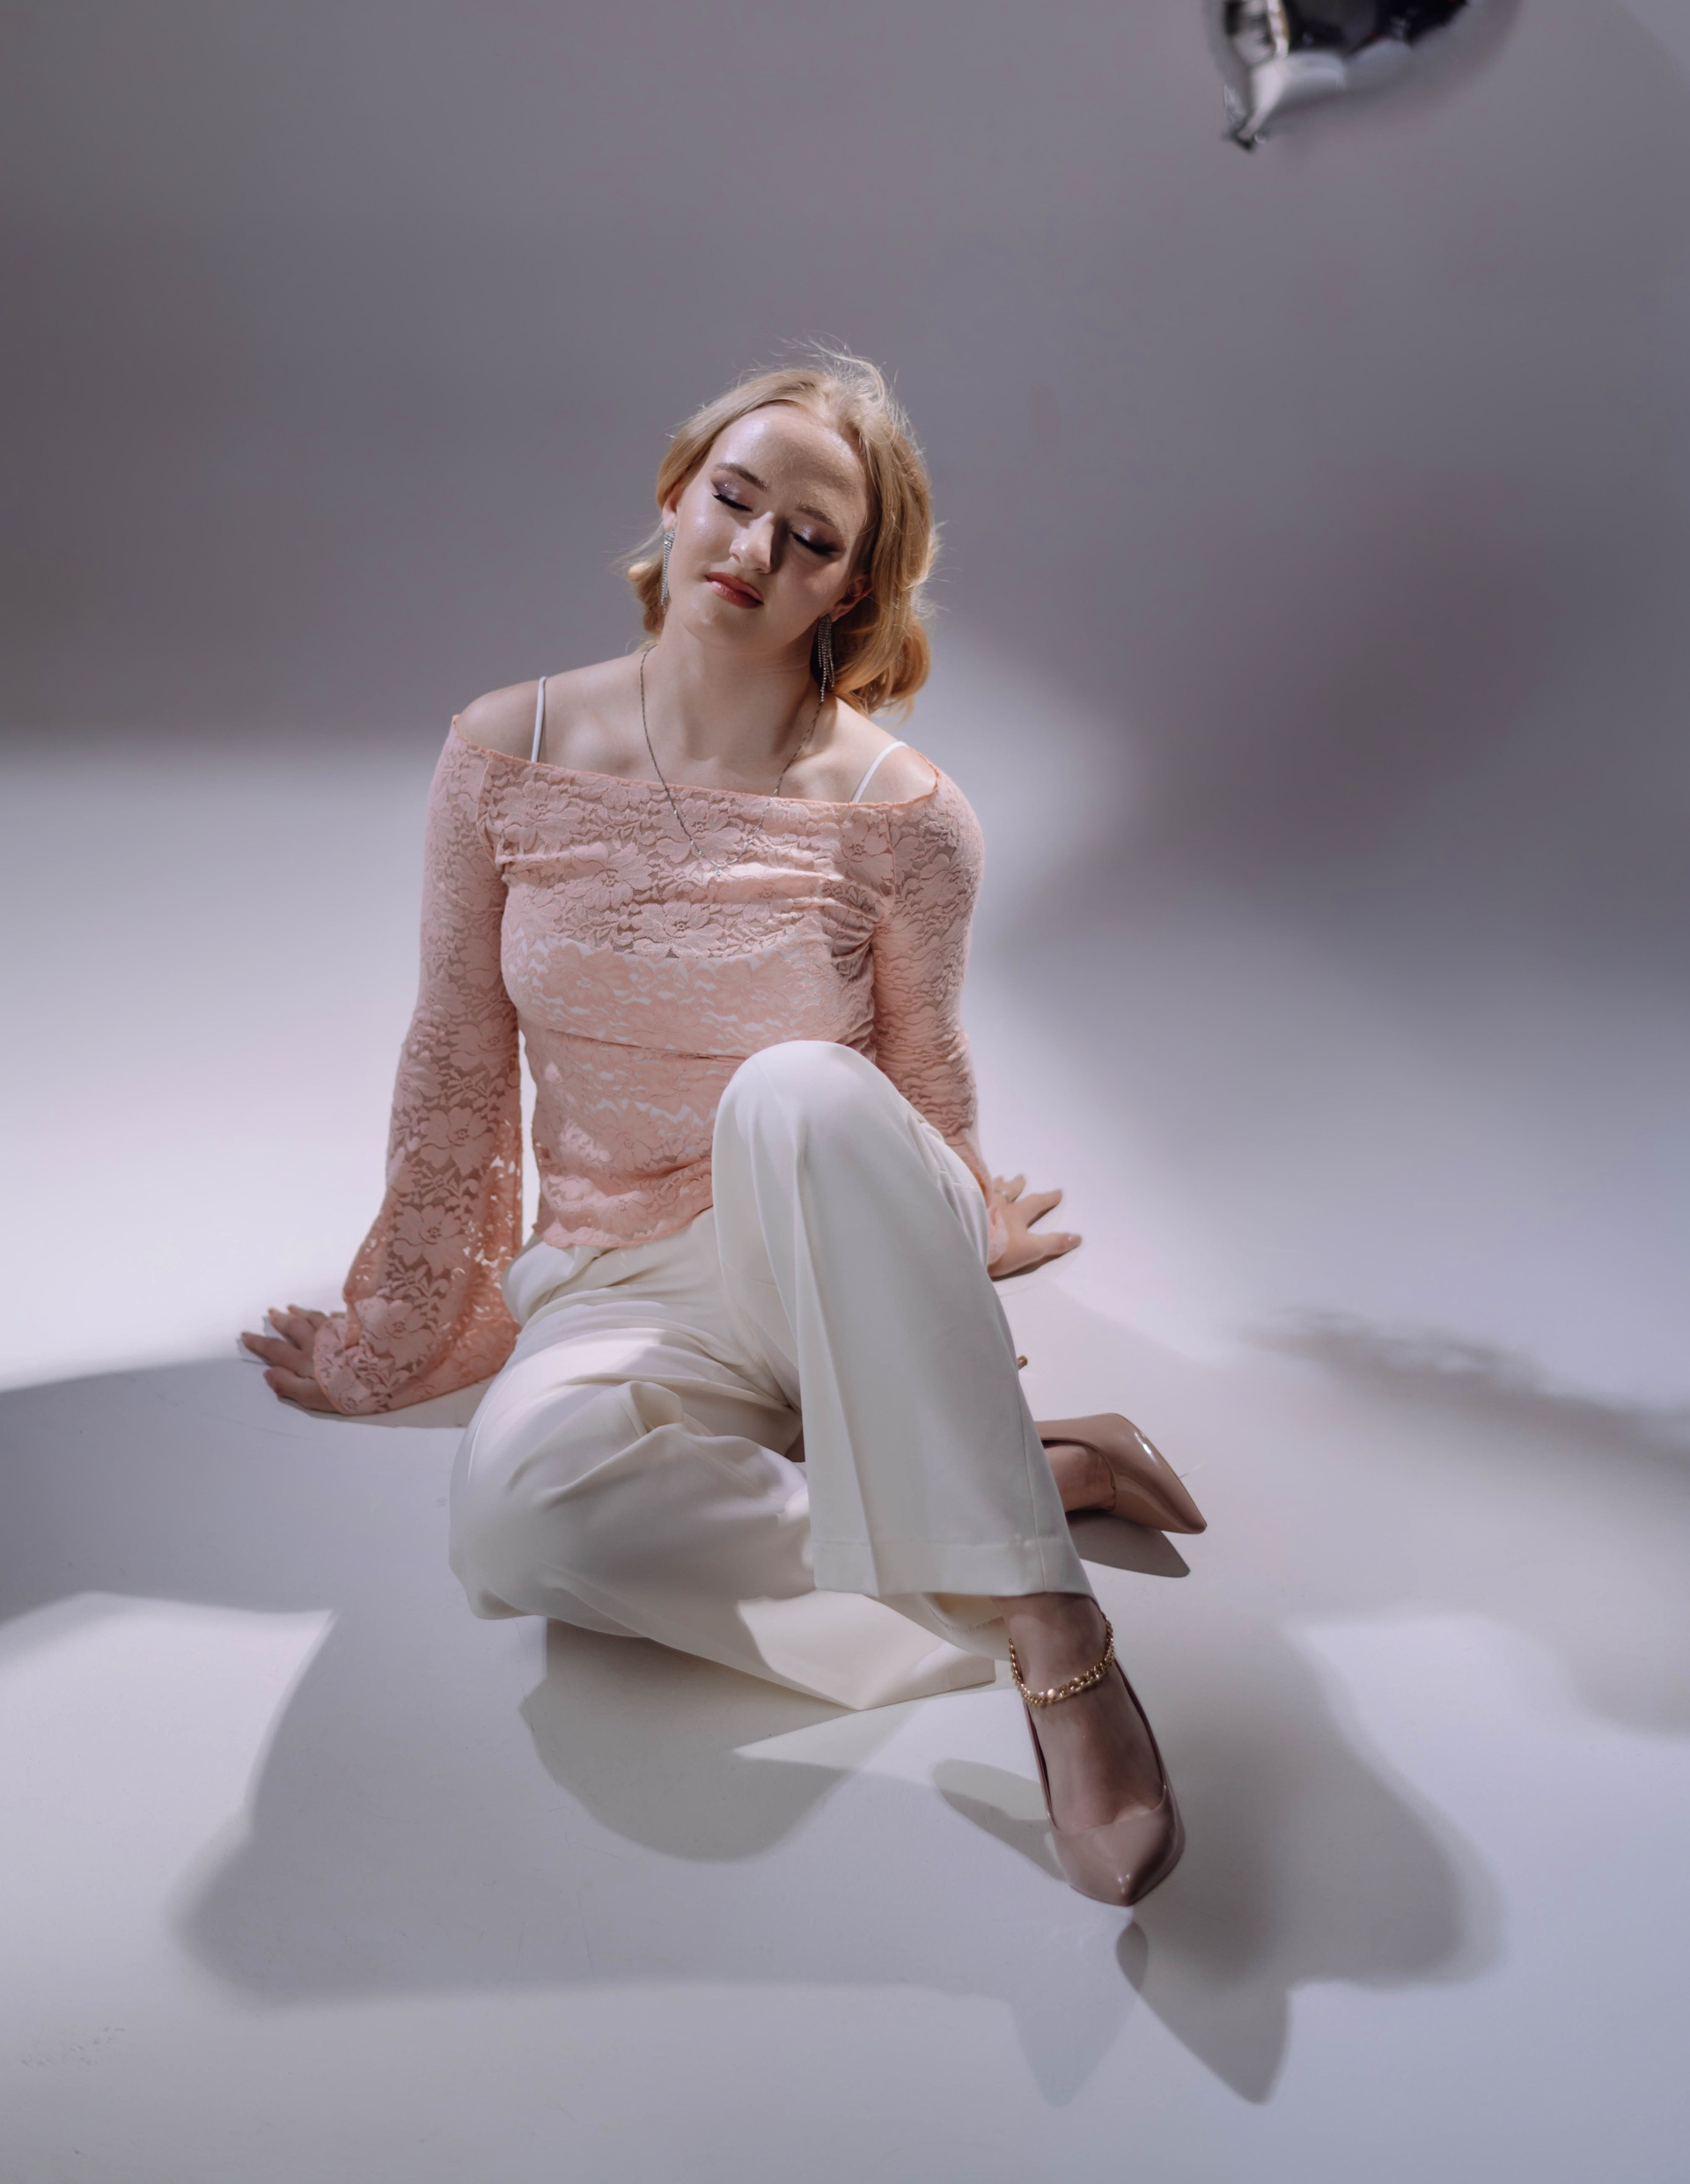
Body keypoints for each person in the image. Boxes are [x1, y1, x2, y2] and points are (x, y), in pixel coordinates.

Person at [242, 354, 1203, 1907]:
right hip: (619, 1278)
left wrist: (952, 1235)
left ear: (852, 586)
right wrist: (399, 1325)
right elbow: (457, 1051)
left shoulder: (905, 811)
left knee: (796, 1085)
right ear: (677, 492)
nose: (753, 550)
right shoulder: (502, 750)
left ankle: (1053, 1623)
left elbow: (919, 1069)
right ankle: (1007, 1485)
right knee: (514, 1523)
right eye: (735, 499)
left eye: (809, 538)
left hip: (816, 1243)